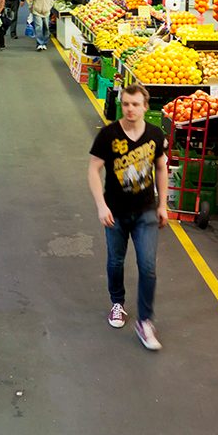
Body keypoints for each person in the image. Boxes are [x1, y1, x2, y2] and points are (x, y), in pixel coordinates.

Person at [88, 85, 169, 351]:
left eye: (135, 104)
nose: (130, 109)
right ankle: (117, 304)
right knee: (116, 261)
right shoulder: (109, 135)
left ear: (146, 106)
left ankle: (145, 321)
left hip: (145, 211)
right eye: (125, 104)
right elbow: (93, 170)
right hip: (116, 212)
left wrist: (163, 205)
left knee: (148, 266)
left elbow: (161, 167)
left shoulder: (156, 135)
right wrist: (101, 206)